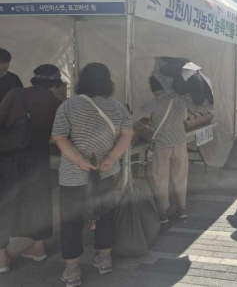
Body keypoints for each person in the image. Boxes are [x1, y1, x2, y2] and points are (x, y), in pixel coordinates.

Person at [52, 63, 134, 287]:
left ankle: (72, 271)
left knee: (71, 221)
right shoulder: (117, 107)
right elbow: (127, 134)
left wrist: (79, 160)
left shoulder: (68, 106)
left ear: (83, 80)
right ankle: (104, 260)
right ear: (108, 81)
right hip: (106, 172)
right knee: (105, 215)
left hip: (73, 174)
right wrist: (111, 158)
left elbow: (59, 137)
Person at [0, 65, 63, 274]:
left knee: (5, 200)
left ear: (35, 78)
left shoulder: (16, 93)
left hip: (9, 156)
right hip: (38, 157)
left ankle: (2, 257)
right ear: (55, 83)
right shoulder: (56, 103)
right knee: (39, 199)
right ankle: (38, 247)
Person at [140, 75, 194, 224]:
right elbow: (184, 117)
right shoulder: (180, 101)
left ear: (151, 88)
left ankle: (163, 212)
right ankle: (182, 209)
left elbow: (136, 117)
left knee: (160, 177)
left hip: (161, 143)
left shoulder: (152, 103)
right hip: (179, 141)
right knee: (181, 176)